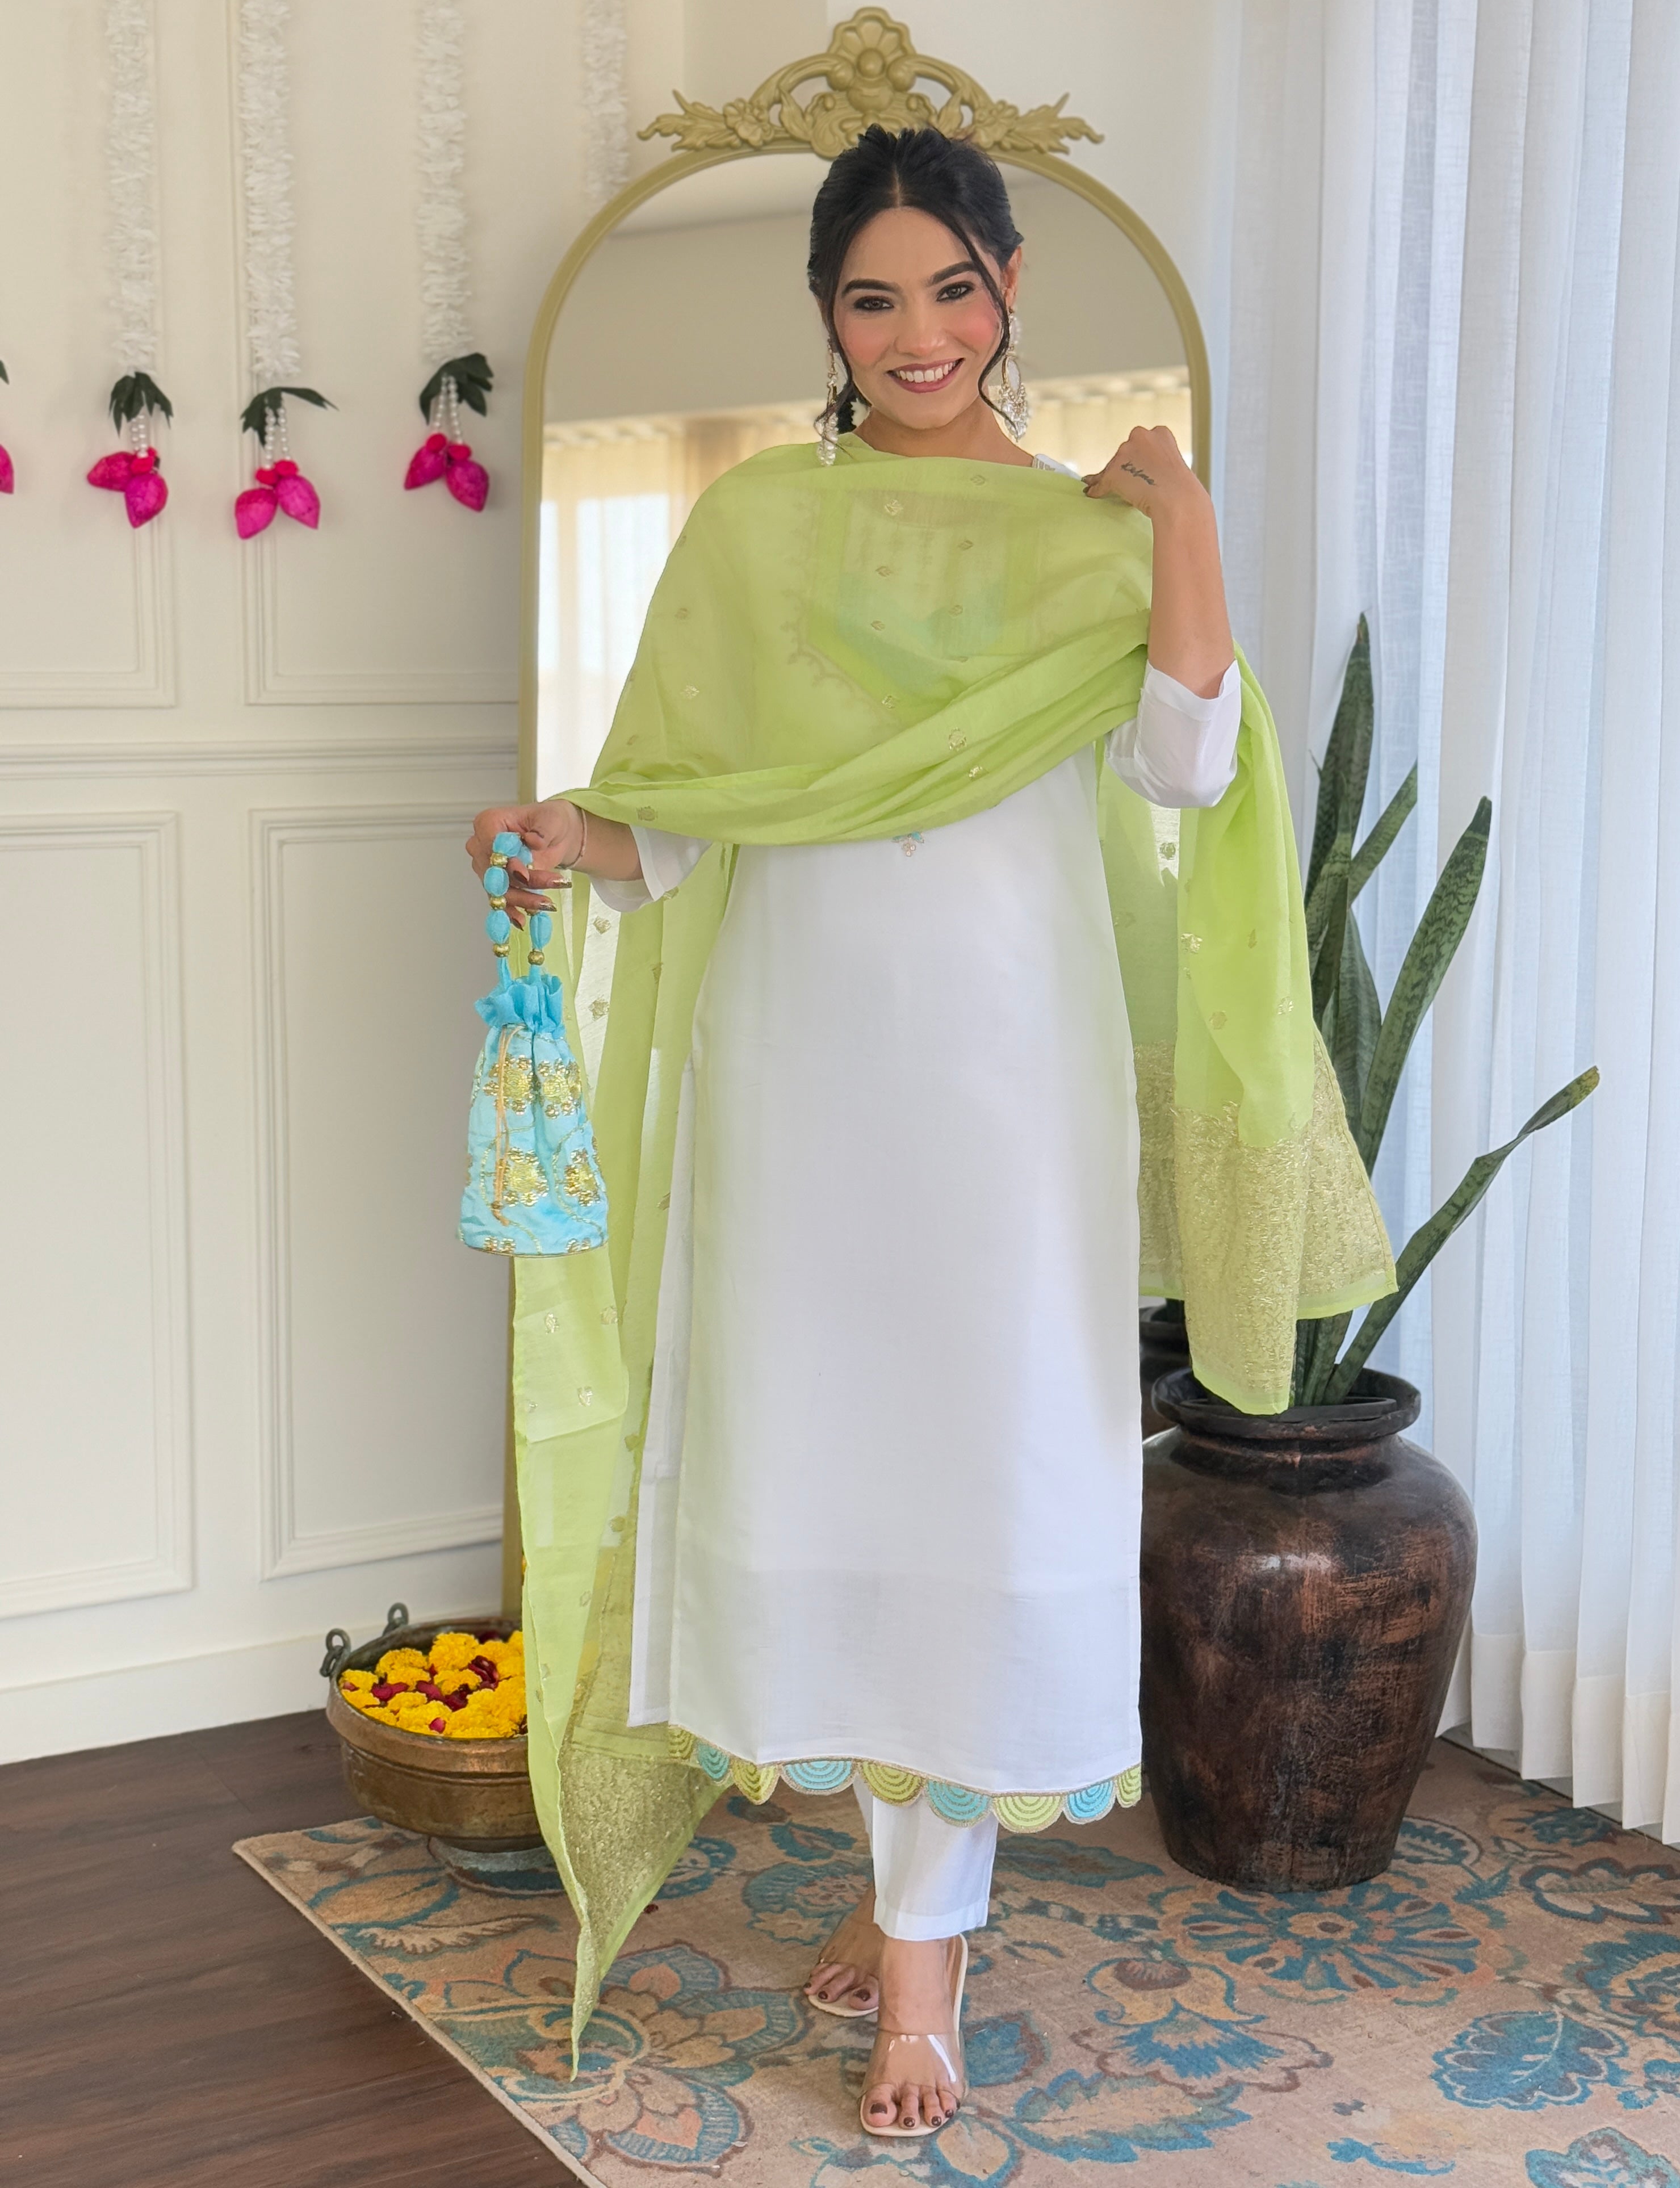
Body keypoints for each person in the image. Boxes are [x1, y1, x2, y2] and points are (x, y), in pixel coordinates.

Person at [468, 125, 1391, 2140]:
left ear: (1010, 289)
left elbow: (1189, 762)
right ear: (826, 315)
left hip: (1007, 1085)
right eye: (872, 298)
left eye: (953, 290)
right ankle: (905, 1895)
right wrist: (562, 836)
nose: (917, 333)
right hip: (796, 1071)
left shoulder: (1084, 539)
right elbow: (693, 815)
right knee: (820, 1453)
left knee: (981, 1473)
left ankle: (926, 1952)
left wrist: (1180, 515)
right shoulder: (752, 536)